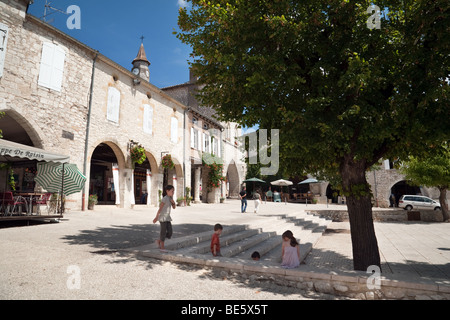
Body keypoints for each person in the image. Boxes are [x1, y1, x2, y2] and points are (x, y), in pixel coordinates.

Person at [153, 185, 176, 251]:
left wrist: (173, 203)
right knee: (163, 232)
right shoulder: (164, 199)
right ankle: (162, 246)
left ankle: (159, 240)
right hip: (162, 218)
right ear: (167, 191)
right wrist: (156, 217)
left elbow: (174, 207)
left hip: (168, 217)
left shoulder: (170, 198)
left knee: (170, 233)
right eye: (172, 191)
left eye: (173, 191)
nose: (173, 192)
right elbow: (160, 209)